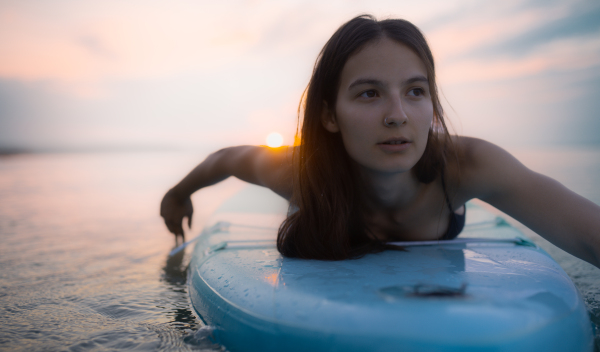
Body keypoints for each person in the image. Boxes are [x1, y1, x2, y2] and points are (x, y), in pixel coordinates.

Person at [160, 15, 600, 266]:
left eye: (415, 91)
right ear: (329, 116)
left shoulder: (469, 165)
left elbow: (590, 237)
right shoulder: (293, 170)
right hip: (327, 192)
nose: (397, 115)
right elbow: (225, 159)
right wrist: (178, 195)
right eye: (369, 93)